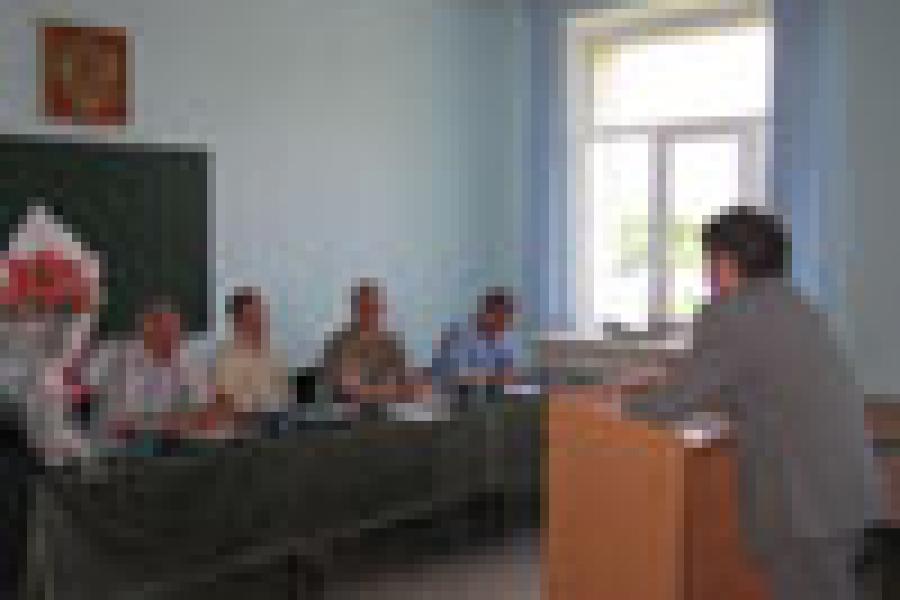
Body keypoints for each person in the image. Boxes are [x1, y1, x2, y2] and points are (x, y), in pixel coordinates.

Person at [603, 205, 878, 600]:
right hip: (839, 489)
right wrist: (668, 375)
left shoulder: (730, 312)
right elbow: (749, 376)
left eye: (709, 260)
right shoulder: (793, 303)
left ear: (726, 261)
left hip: (803, 502)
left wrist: (614, 409)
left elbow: (676, 401)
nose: (707, 273)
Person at [90, 298, 211, 439]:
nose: (169, 338)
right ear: (146, 332)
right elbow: (126, 412)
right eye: (163, 332)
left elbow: (201, 407)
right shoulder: (122, 358)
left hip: (174, 437)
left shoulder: (189, 362)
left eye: (174, 332)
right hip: (128, 438)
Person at [319, 279, 414, 402]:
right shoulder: (339, 343)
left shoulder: (390, 345)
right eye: (363, 307)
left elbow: (405, 387)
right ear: (355, 309)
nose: (368, 312)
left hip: (385, 409)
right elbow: (339, 386)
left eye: (372, 307)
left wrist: (371, 391)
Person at [213, 287, 290, 420]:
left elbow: (285, 396)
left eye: (261, 314)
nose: (260, 320)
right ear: (239, 321)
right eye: (253, 316)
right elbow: (228, 405)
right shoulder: (227, 357)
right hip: (247, 422)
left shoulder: (275, 353)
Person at [431, 287, 522, 388]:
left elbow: (508, 378)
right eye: (496, 316)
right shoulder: (456, 335)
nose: (501, 324)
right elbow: (446, 374)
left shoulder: (505, 347)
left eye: (505, 319)